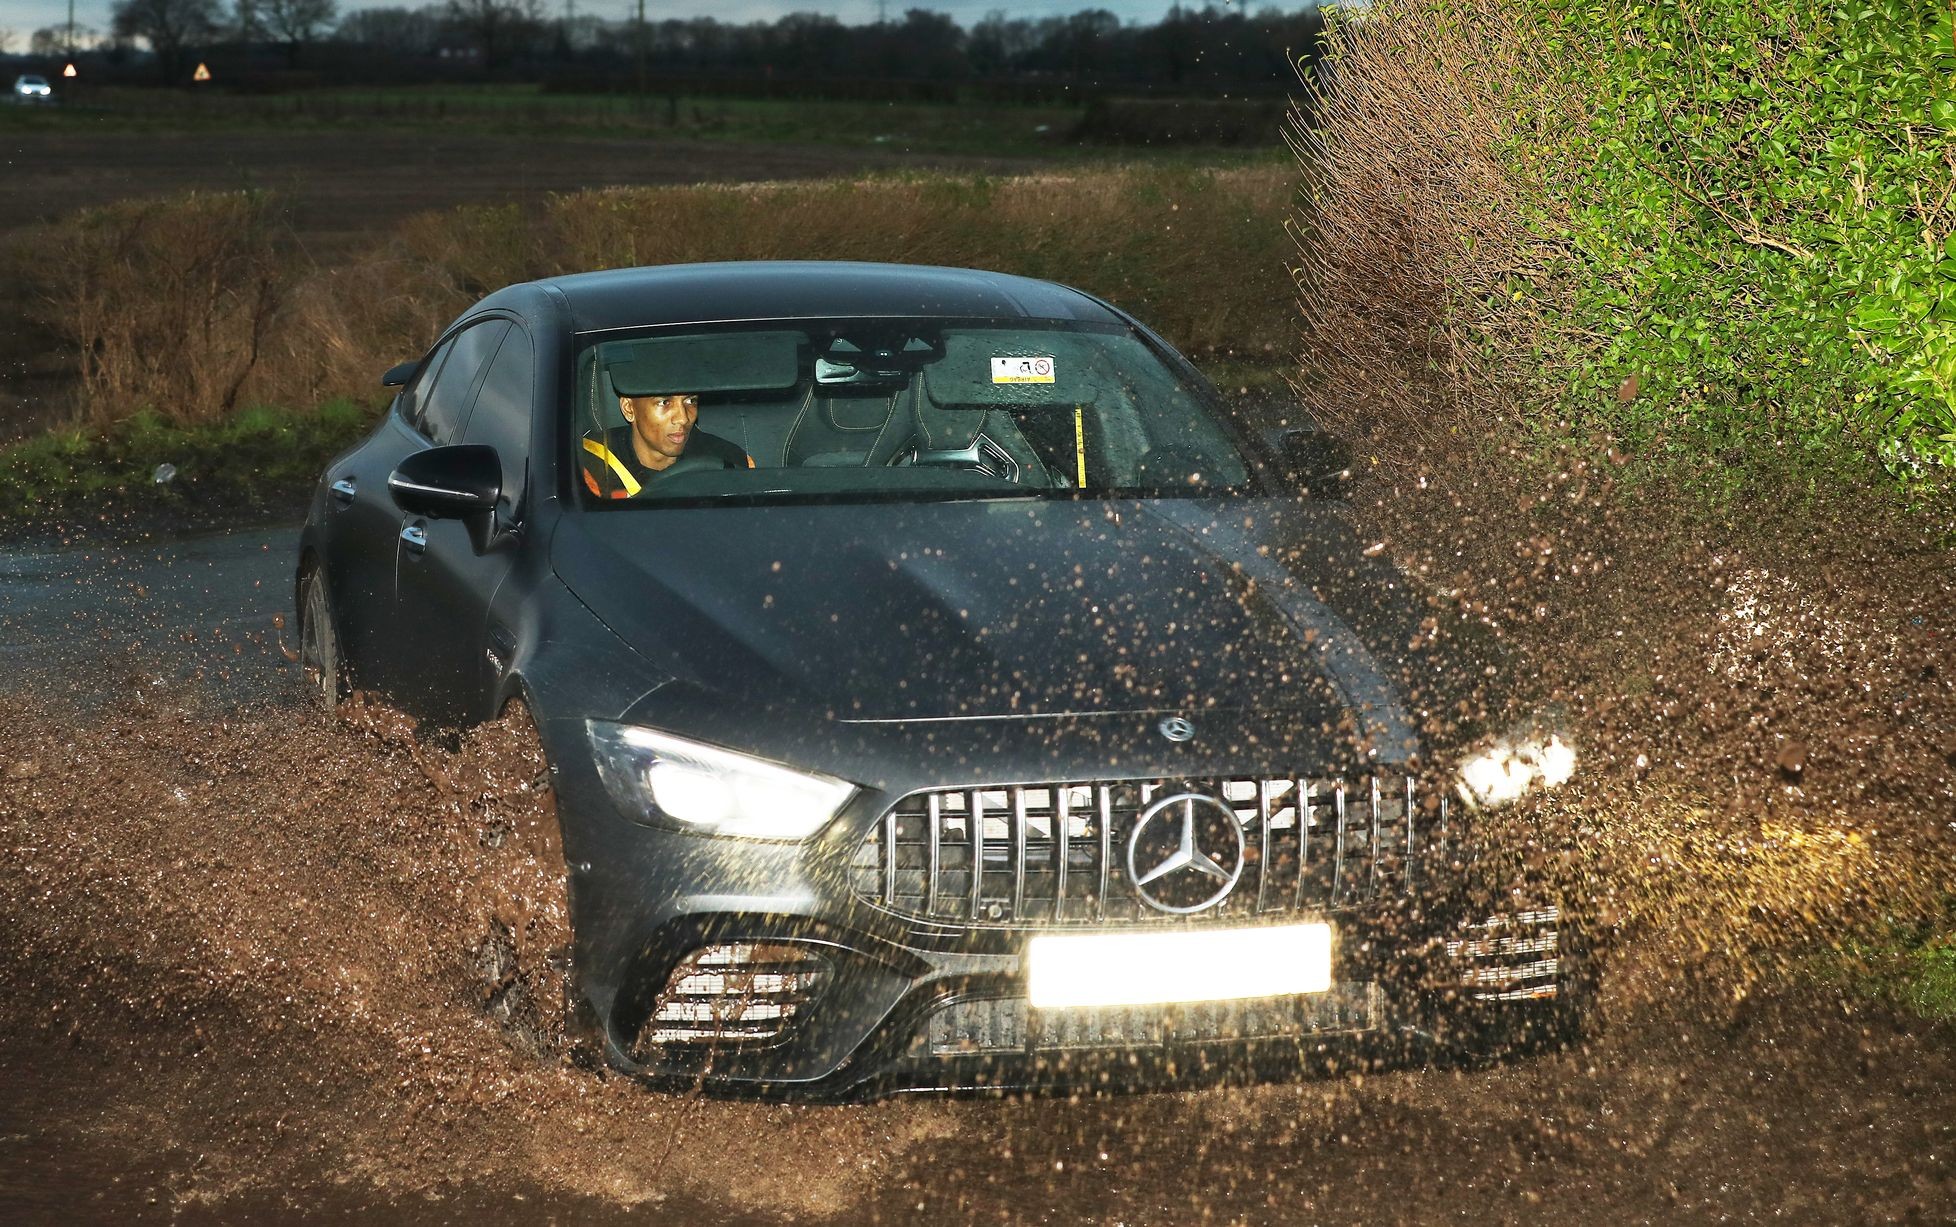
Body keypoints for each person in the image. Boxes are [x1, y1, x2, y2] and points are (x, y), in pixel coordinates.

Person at [581, 391, 752, 498]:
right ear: (629, 409)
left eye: (690, 401)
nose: (683, 418)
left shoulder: (727, 460)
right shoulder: (590, 467)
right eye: (664, 402)